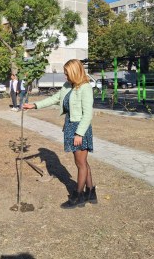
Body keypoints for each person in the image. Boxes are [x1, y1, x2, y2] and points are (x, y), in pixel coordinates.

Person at [23, 59, 97, 209]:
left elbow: (88, 114)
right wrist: (34, 105)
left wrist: (79, 134)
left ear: (75, 72)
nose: (64, 76)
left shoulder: (85, 88)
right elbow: (54, 99)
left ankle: (78, 196)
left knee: (80, 163)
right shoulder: (68, 86)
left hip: (80, 129)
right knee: (83, 162)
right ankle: (91, 193)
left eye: (67, 73)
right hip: (70, 125)